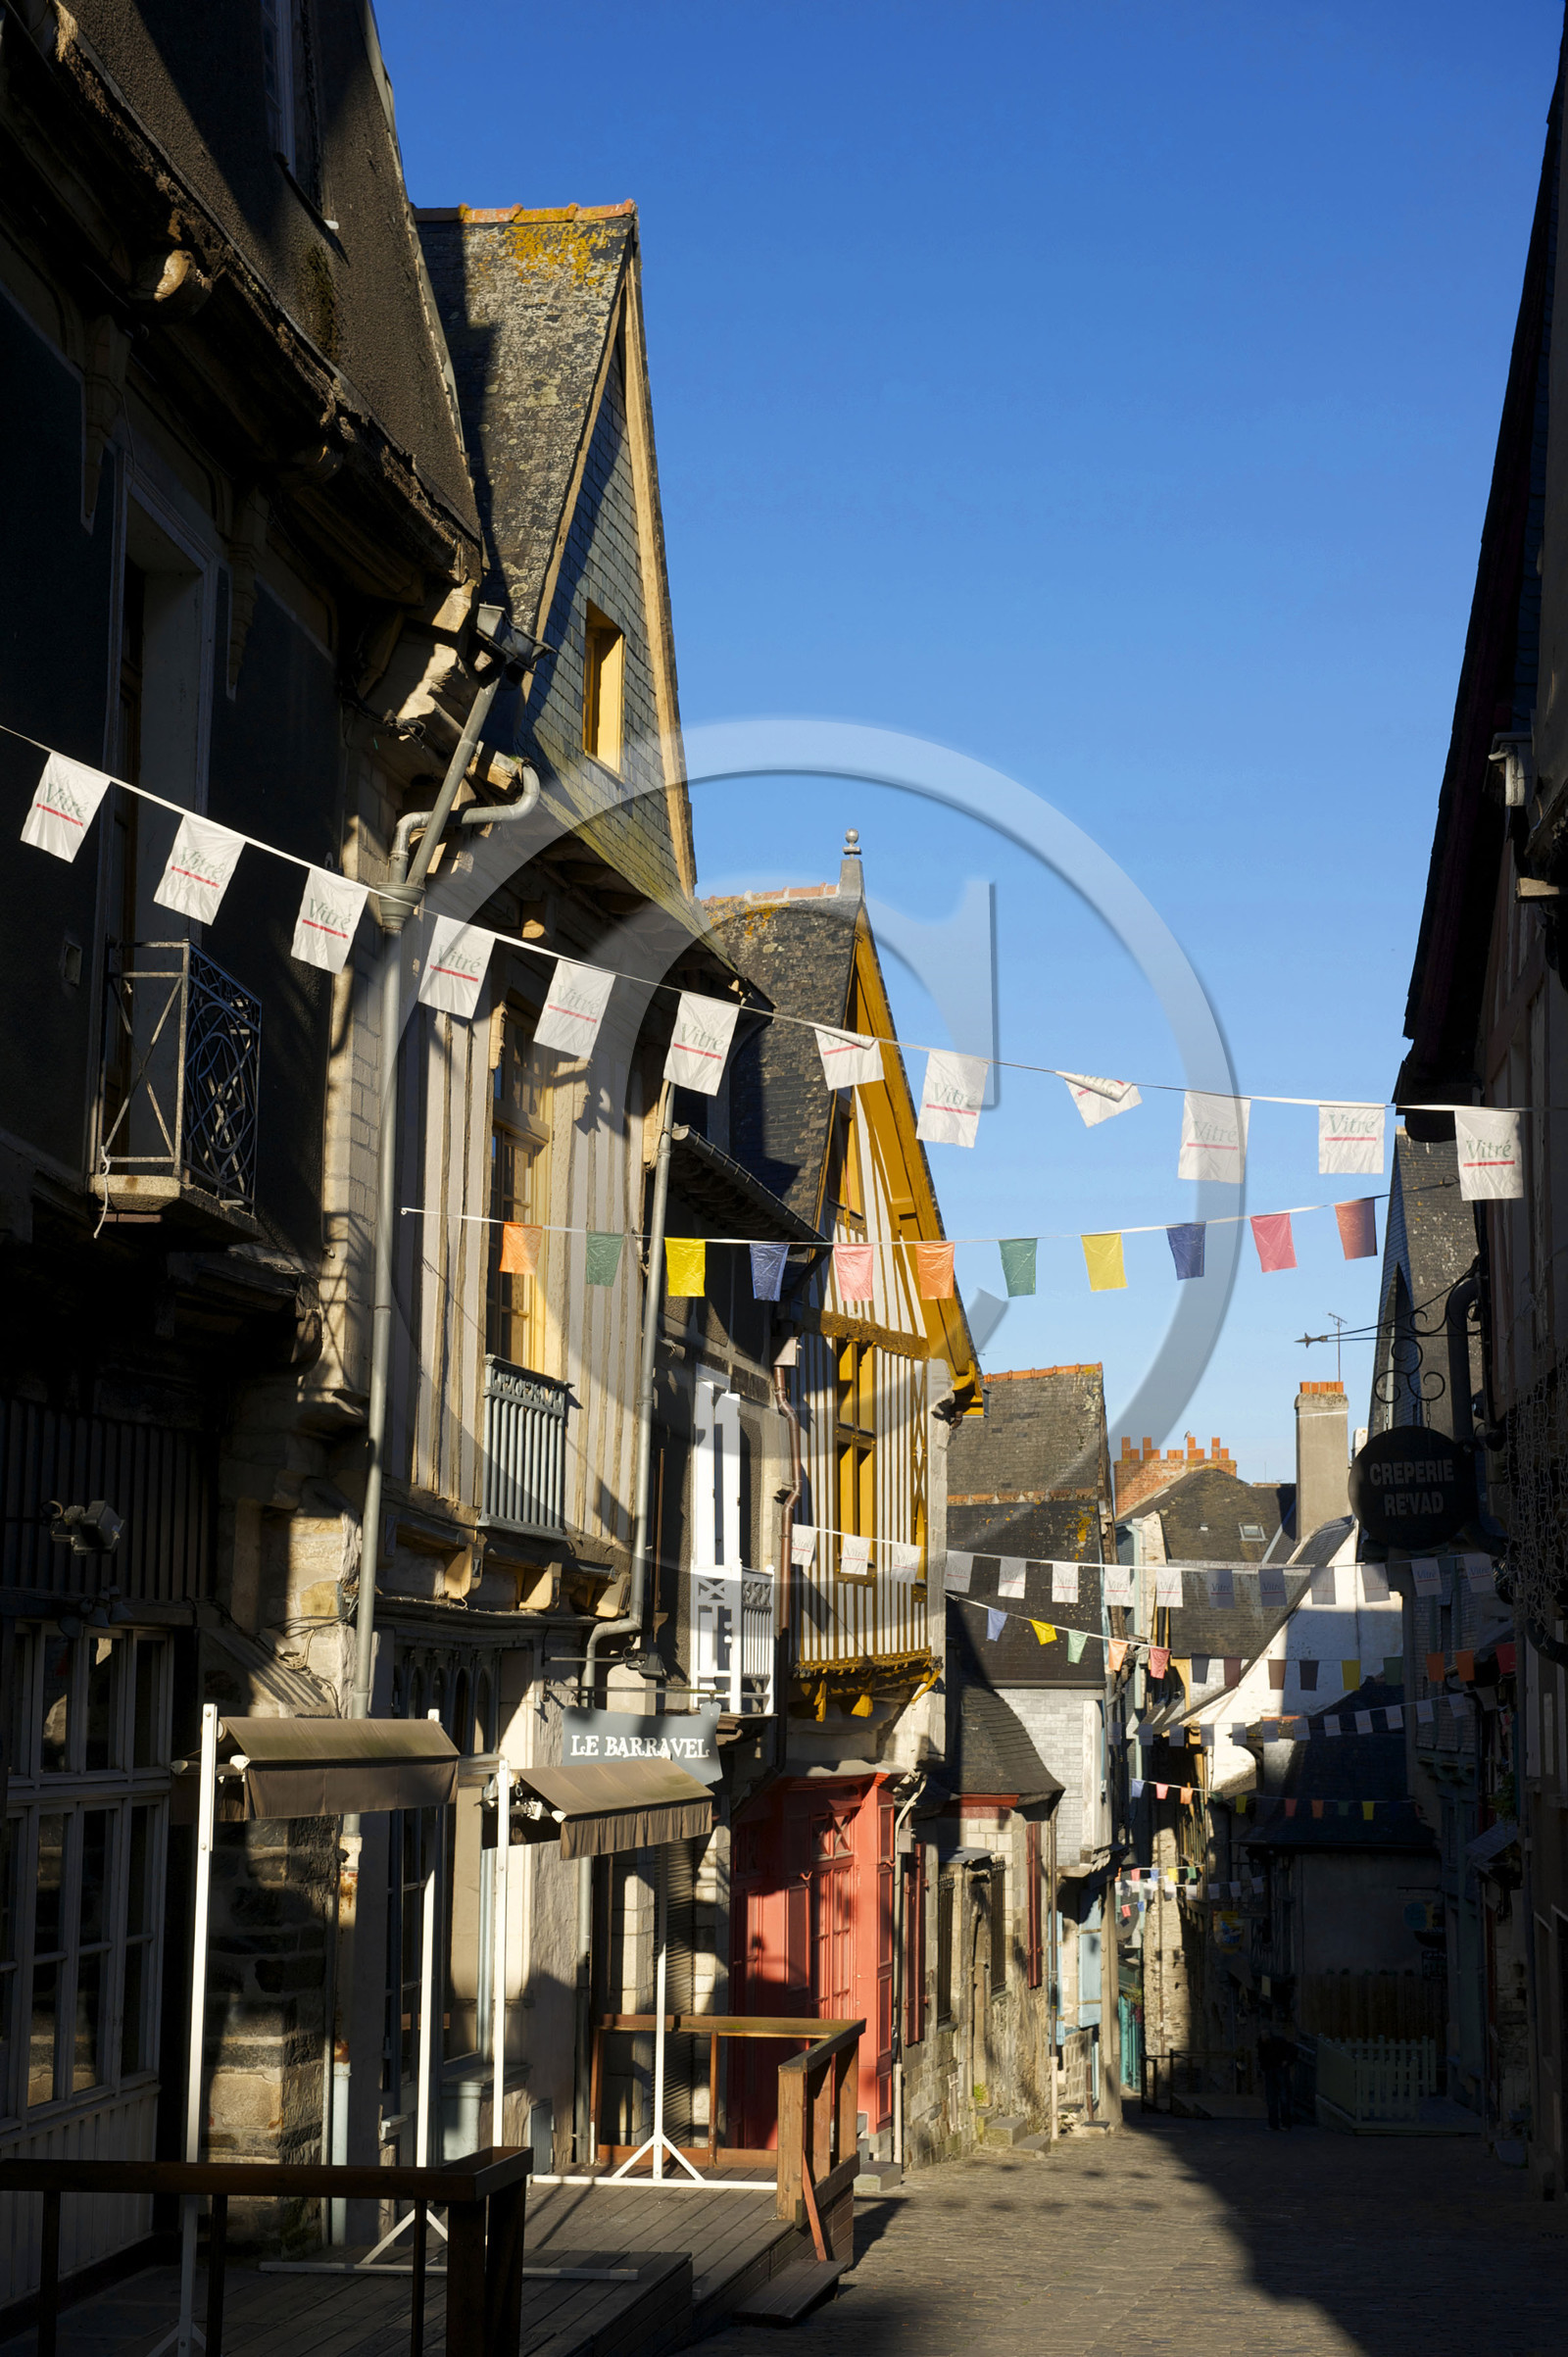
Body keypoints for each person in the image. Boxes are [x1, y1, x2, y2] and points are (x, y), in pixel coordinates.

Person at [1258, 2025, 1298, 2131]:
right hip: (1269, 2071)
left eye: (1265, 2035)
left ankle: (1285, 2123)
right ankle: (1273, 2124)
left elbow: (1293, 2049)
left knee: (1283, 2097)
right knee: (1272, 2099)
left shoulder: (1279, 2042)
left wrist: (1287, 2061)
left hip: (1279, 2070)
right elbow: (1261, 2057)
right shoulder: (1261, 2045)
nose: (1263, 2038)